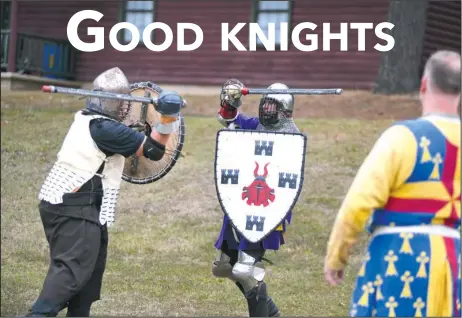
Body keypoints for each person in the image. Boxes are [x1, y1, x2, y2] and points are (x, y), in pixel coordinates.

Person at [26, 67, 184, 317]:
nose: (125, 108)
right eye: (123, 102)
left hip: (82, 206)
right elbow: (153, 150)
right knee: (69, 272)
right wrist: (167, 117)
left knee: (88, 277)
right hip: (73, 206)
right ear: (117, 103)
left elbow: (132, 138)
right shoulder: (106, 130)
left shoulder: (86, 117)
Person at [324, 49, 461, 317]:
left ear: (424, 85)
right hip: (455, 263)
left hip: (398, 258)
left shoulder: (403, 137)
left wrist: (337, 256)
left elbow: (358, 203)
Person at [211, 79, 300, 317]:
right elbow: (228, 120)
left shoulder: (292, 137)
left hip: (267, 210)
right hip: (240, 206)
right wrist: (230, 100)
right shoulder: (257, 125)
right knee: (223, 267)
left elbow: (285, 181)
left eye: (271, 106)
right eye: (265, 105)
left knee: (245, 271)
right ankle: (270, 311)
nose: (265, 110)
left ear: (284, 111)